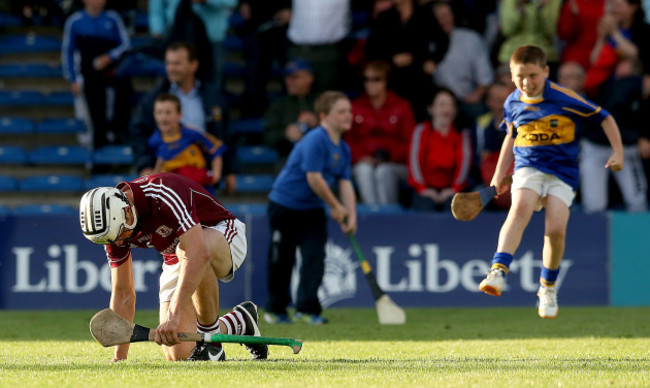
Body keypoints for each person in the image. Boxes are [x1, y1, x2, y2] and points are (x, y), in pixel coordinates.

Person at [478, 45, 624, 319]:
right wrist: (499, 173)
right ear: (511, 75)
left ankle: (547, 288)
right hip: (528, 167)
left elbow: (605, 118)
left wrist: (618, 152)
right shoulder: (512, 102)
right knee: (520, 208)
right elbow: (511, 136)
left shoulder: (564, 97)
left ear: (545, 72)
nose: (526, 82)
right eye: (520, 76)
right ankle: (498, 270)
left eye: (532, 75)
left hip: (562, 172)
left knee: (555, 229)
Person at [78, 173, 268, 361]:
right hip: (178, 255)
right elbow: (123, 294)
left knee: (196, 251)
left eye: (121, 235)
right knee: (179, 353)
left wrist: (174, 314)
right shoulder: (113, 228)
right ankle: (241, 321)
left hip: (221, 233)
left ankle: (212, 346)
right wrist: (120, 358)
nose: (120, 241)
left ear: (127, 211)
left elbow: (198, 253)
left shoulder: (162, 192)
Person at [265, 91, 357, 325]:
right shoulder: (316, 139)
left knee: (315, 258)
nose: (349, 115)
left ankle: (307, 309)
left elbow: (345, 183)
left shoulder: (343, 148)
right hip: (285, 205)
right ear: (324, 115)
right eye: (342, 111)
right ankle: (276, 309)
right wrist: (336, 207)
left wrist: (351, 216)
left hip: (312, 210)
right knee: (282, 260)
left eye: (349, 110)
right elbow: (314, 178)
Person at [129, 41, 237, 194]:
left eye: (177, 63)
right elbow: (137, 131)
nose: (171, 68)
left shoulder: (213, 96)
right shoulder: (155, 97)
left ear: (193, 65)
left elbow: (225, 134)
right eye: (168, 63)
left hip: (201, 178)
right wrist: (145, 165)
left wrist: (229, 170)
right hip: (166, 181)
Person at [558, 62, 647, 213]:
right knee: (594, 203)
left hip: (621, 146)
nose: (569, 82)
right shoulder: (550, 106)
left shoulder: (599, 93)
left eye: (574, 77)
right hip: (593, 148)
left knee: (636, 199)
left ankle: (642, 234)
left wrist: (634, 139)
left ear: (583, 79)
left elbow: (611, 121)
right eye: (565, 77)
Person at [62, 0, 132, 149]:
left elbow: (125, 44)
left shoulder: (113, 18)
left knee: (114, 110)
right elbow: (68, 51)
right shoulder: (75, 21)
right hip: (88, 76)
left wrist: (109, 57)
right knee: (93, 118)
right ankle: (97, 154)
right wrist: (72, 79)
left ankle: (115, 139)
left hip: (110, 75)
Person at [346, 60, 416, 205]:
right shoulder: (355, 106)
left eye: (376, 79)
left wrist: (390, 156)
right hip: (364, 162)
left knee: (384, 171)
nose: (370, 83)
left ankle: (387, 215)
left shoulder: (402, 106)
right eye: (366, 79)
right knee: (364, 170)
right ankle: (373, 214)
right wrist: (361, 157)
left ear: (386, 81)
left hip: (395, 164)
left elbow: (411, 142)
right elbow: (348, 141)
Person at [407, 88, 473, 212]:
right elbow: (414, 162)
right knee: (425, 211)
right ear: (431, 109)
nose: (447, 110)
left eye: (450, 105)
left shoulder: (462, 134)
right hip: (425, 188)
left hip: (452, 189)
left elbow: (464, 163)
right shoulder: (421, 131)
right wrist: (423, 189)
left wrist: (454, 188)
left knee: (454, 212)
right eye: (442, 105)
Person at [149, 93, 227, 195]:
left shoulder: (192, 134)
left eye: (168, 113)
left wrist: (216, 175)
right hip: (174, 192)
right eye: (159, 112)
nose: (163, 117)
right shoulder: (154, 141)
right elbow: (157, 165)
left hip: (200, 189)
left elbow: (216, 149)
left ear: (179, 115)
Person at [263, 59, 319, 159]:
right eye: (287, 77)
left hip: (320, 157)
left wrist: (319, 123)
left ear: (309, 78)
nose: (289, 82)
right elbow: (268, 137)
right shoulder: (278, 106)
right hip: (289, 158)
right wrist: (285, 134)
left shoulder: (322, 101)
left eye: (295, 77)